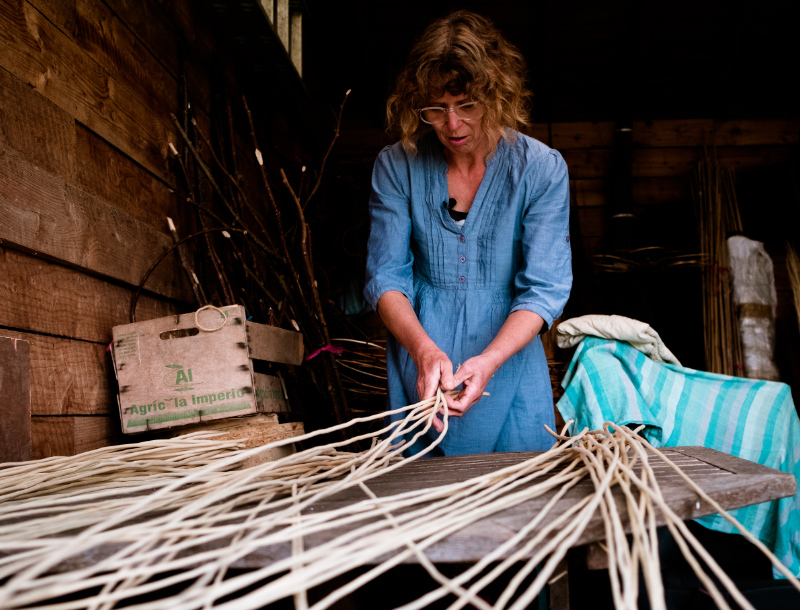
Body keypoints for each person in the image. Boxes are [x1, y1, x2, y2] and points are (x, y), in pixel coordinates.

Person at [364, 10, 572, 456]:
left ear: (497, 97)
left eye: (467, 106)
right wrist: (423, 351)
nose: (452, 125)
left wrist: (490, 361)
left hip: (509, 358)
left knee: (518, 501)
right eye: (435, 109)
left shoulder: (541, 169)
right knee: (417, 503)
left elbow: (544, 289)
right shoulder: (396, 165)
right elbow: (386, 277)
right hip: (420, 360)